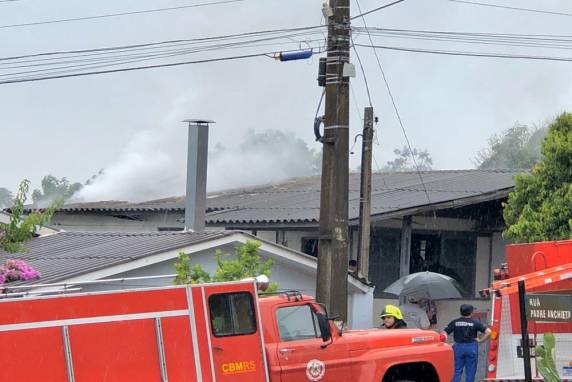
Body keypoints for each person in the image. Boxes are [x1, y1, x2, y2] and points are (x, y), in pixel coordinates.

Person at [442, 304, 492, 382]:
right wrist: (481, 340)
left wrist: (447, 343)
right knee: (470, 371)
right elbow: (489, 332)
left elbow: (444, 332)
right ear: (471, 313)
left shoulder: (455, 322)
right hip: (471, 347)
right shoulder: (475, 322)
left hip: (458, 347)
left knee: (457, 370)